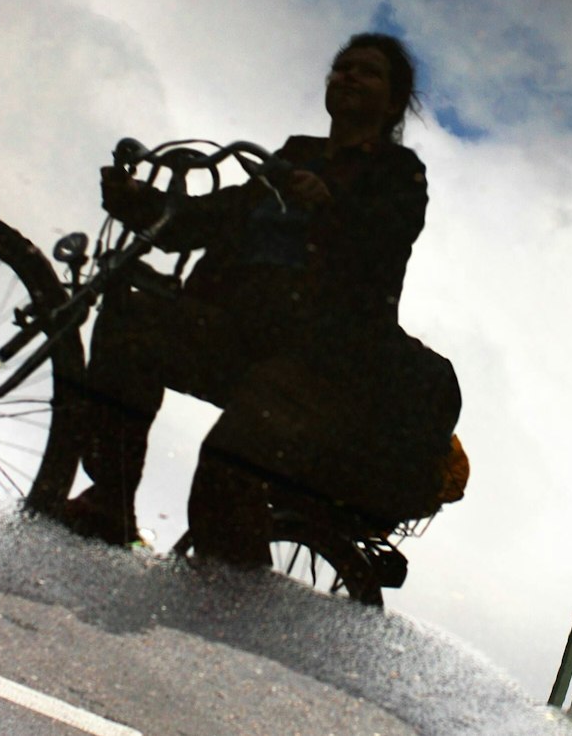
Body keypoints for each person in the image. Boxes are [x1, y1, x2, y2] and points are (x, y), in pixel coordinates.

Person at [58, 33, 461, 558]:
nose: (348, 77)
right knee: (133, 323)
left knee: (230, 465)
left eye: (367, 71)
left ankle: (238, 613)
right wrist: (143, 205)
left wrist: (329, 204)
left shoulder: (398, 173)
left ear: (391, 101)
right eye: (342, 68)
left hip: (318, 357)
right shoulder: (296, 156)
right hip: (240, 331)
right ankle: (108, 503)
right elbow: (218, 216)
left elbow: (386, 236)